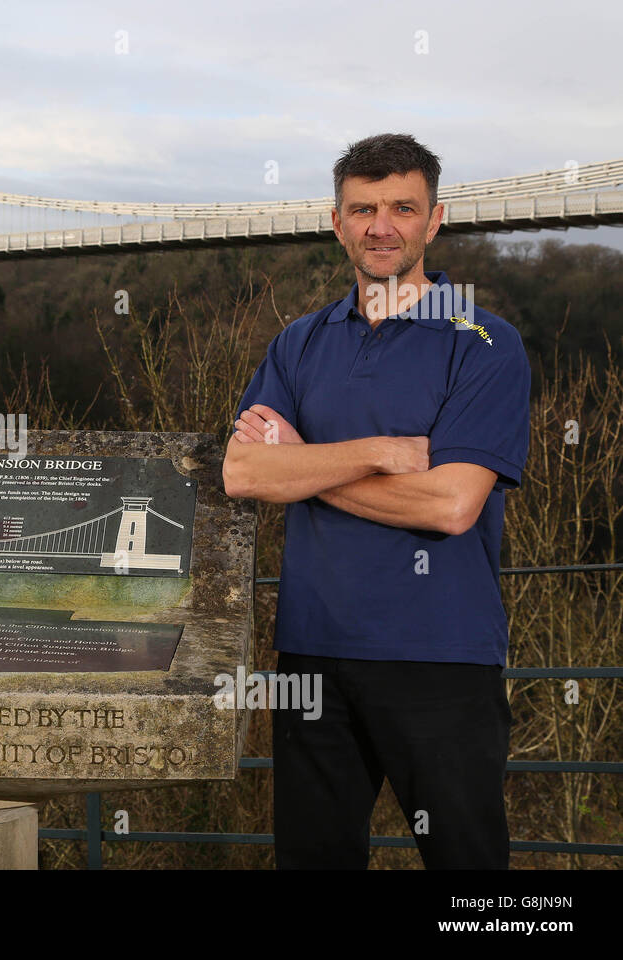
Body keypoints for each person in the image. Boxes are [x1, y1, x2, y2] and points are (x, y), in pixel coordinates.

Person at [222, 133, 531, 869]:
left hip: (441, 655)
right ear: (337, 222)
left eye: (402, 207)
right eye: (362, 209)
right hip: (311, 650)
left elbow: (451, 506)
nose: (380, 225)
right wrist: (375, 453)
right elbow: (241, 474)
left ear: (434, 219)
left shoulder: (484, 340)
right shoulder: (299, 342)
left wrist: (303, 464)